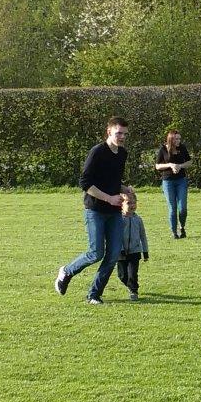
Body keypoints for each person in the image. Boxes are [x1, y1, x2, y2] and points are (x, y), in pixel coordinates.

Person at [55, 116, 133, 304]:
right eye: (118, 133)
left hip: (114, 212)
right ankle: (66, 271)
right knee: (96, 252)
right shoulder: (97, 152)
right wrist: (109, 198)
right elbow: (85, 183)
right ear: (109, 131)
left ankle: (94, 294)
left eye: (124, 134)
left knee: (113, 254)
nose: (121, 137)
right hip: (95, 210)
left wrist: (124, 189)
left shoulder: (122, 154)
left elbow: (111, 181)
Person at [155, 130, 191, 239]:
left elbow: (189, 162)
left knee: (183, 208)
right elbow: (157, 166)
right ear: (171, 139)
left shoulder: (182, 148)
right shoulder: (163, 149)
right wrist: (170, 165)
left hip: (181, 181)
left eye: (179, 139)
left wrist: (180, 166)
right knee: (172, 208)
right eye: (176, 139)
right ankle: (174, 232)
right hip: (168, 181)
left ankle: (182, 227)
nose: (178, 141)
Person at [117, 191, 149, 301]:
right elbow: (116, 236)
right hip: (121, 252)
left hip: (135, 252)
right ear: (121, 204)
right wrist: (120, 249)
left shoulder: (138, 220)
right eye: (129, 203)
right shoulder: (119, 220)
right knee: (122, 275)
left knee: (133, 273)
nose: (132, 205)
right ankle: (131, 286)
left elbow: (143, 236)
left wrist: (145, 251)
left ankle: (134, 290)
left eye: (134, 203)